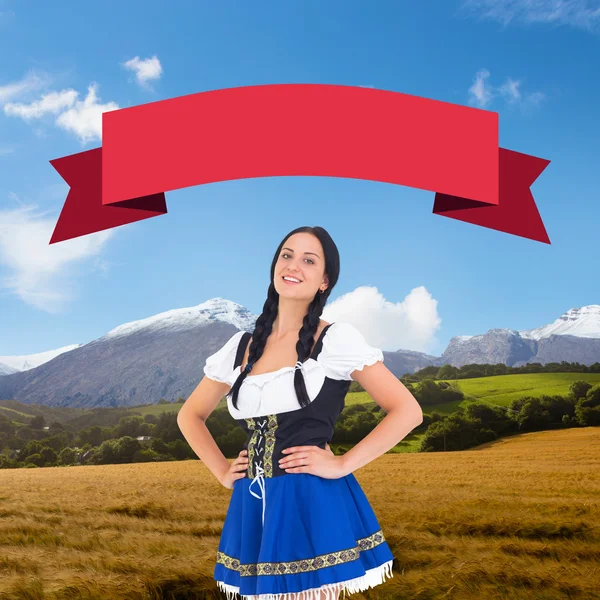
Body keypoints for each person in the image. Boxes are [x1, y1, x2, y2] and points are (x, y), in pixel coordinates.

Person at [177, 225, 424, 600]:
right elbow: (189, 416)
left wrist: (342, 464)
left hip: (312, 498)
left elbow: (407, 410)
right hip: (251, 502)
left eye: (309, 260)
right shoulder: (240, 346)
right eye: (287, 255)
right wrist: (223, 472)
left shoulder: (335, 340)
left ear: (324, 281)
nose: (293, 265)